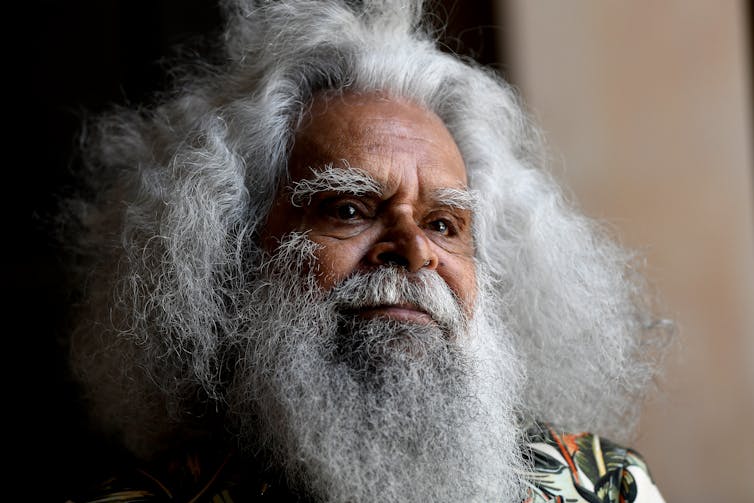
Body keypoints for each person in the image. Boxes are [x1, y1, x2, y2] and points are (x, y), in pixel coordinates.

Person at [57, 1, 673, 501]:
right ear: (234, 253)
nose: (413, 250)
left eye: (444, 223)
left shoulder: (606, 487)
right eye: (349, 209)